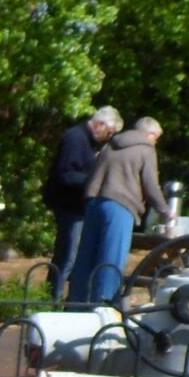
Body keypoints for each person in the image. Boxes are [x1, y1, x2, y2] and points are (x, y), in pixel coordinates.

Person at [68, 117, 167, 304]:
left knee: (85, 258)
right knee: (111, 260)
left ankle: (75, 305)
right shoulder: (146, 149)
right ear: (150, 134)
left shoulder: (110, 144)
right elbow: (151, 186)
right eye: (157, 138)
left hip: (94, 202)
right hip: (120, 205)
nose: (156, 143)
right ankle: (103, 306)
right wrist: (166, 211)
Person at [42, 105, 121, 300]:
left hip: (78, 205)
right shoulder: (75, 138)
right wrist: (94, 181)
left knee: (74, 255)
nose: (109, 137)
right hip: (68, 204)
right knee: (68, 255)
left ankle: (66, 297)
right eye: (109, 133)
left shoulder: (89, 142)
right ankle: (52, 298)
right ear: (100, 125)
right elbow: (65, 174)